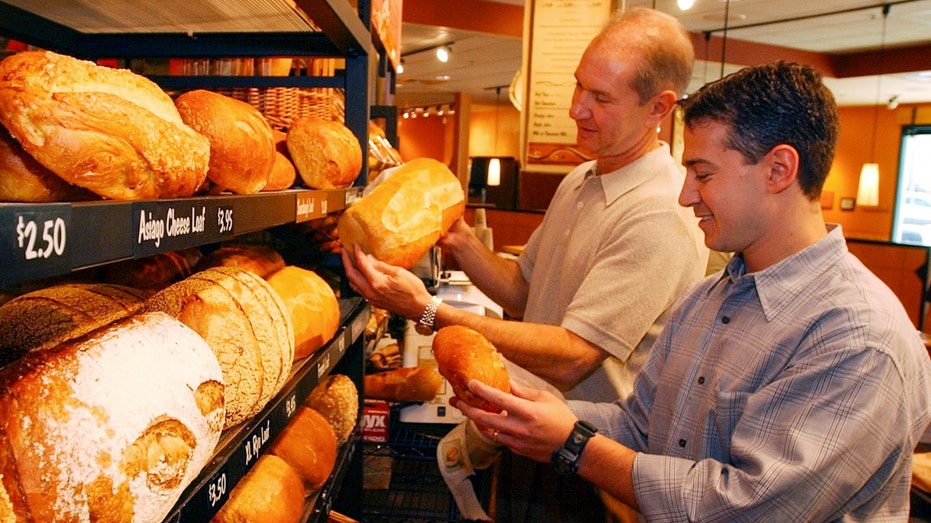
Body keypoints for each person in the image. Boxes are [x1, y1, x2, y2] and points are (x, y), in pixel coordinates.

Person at [455, 61, 931, 521]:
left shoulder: (857, 335)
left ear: (779, 169)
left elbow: (744, 508)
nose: (685, 194)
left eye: (703, 174)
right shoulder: (707, 300)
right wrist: (536, 410)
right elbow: (642, 425)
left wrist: (574, 445)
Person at [344, 8, 704, 520]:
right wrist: (460, 239)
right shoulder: (581, 180)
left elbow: (572, 355)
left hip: (589, 464)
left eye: (601, 99)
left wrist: (427, 311)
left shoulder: (659, 213)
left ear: (659, 108)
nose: (577, 109)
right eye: (579, 87)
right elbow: (522, 288)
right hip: (526, 435)